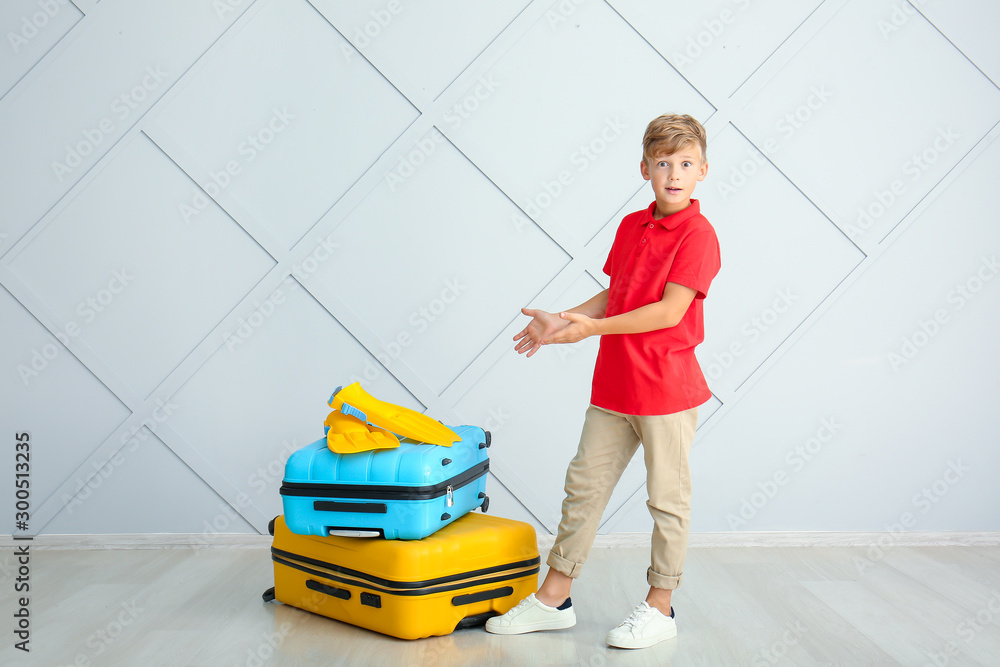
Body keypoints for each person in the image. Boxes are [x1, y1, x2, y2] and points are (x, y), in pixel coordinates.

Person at [485, 114, 721, 649]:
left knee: (667, 501)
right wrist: (564, 322)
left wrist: (592, 329)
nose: (674, 174)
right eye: (663, 163)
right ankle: (554, 600)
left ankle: (660, 607)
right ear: (645, 169)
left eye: (685, 164)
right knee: (583, 490)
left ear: (703, 170)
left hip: (666, 393)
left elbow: (667, 312)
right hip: (614, 389)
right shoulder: (631, 226)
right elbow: (616, 297)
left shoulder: (700, 236)